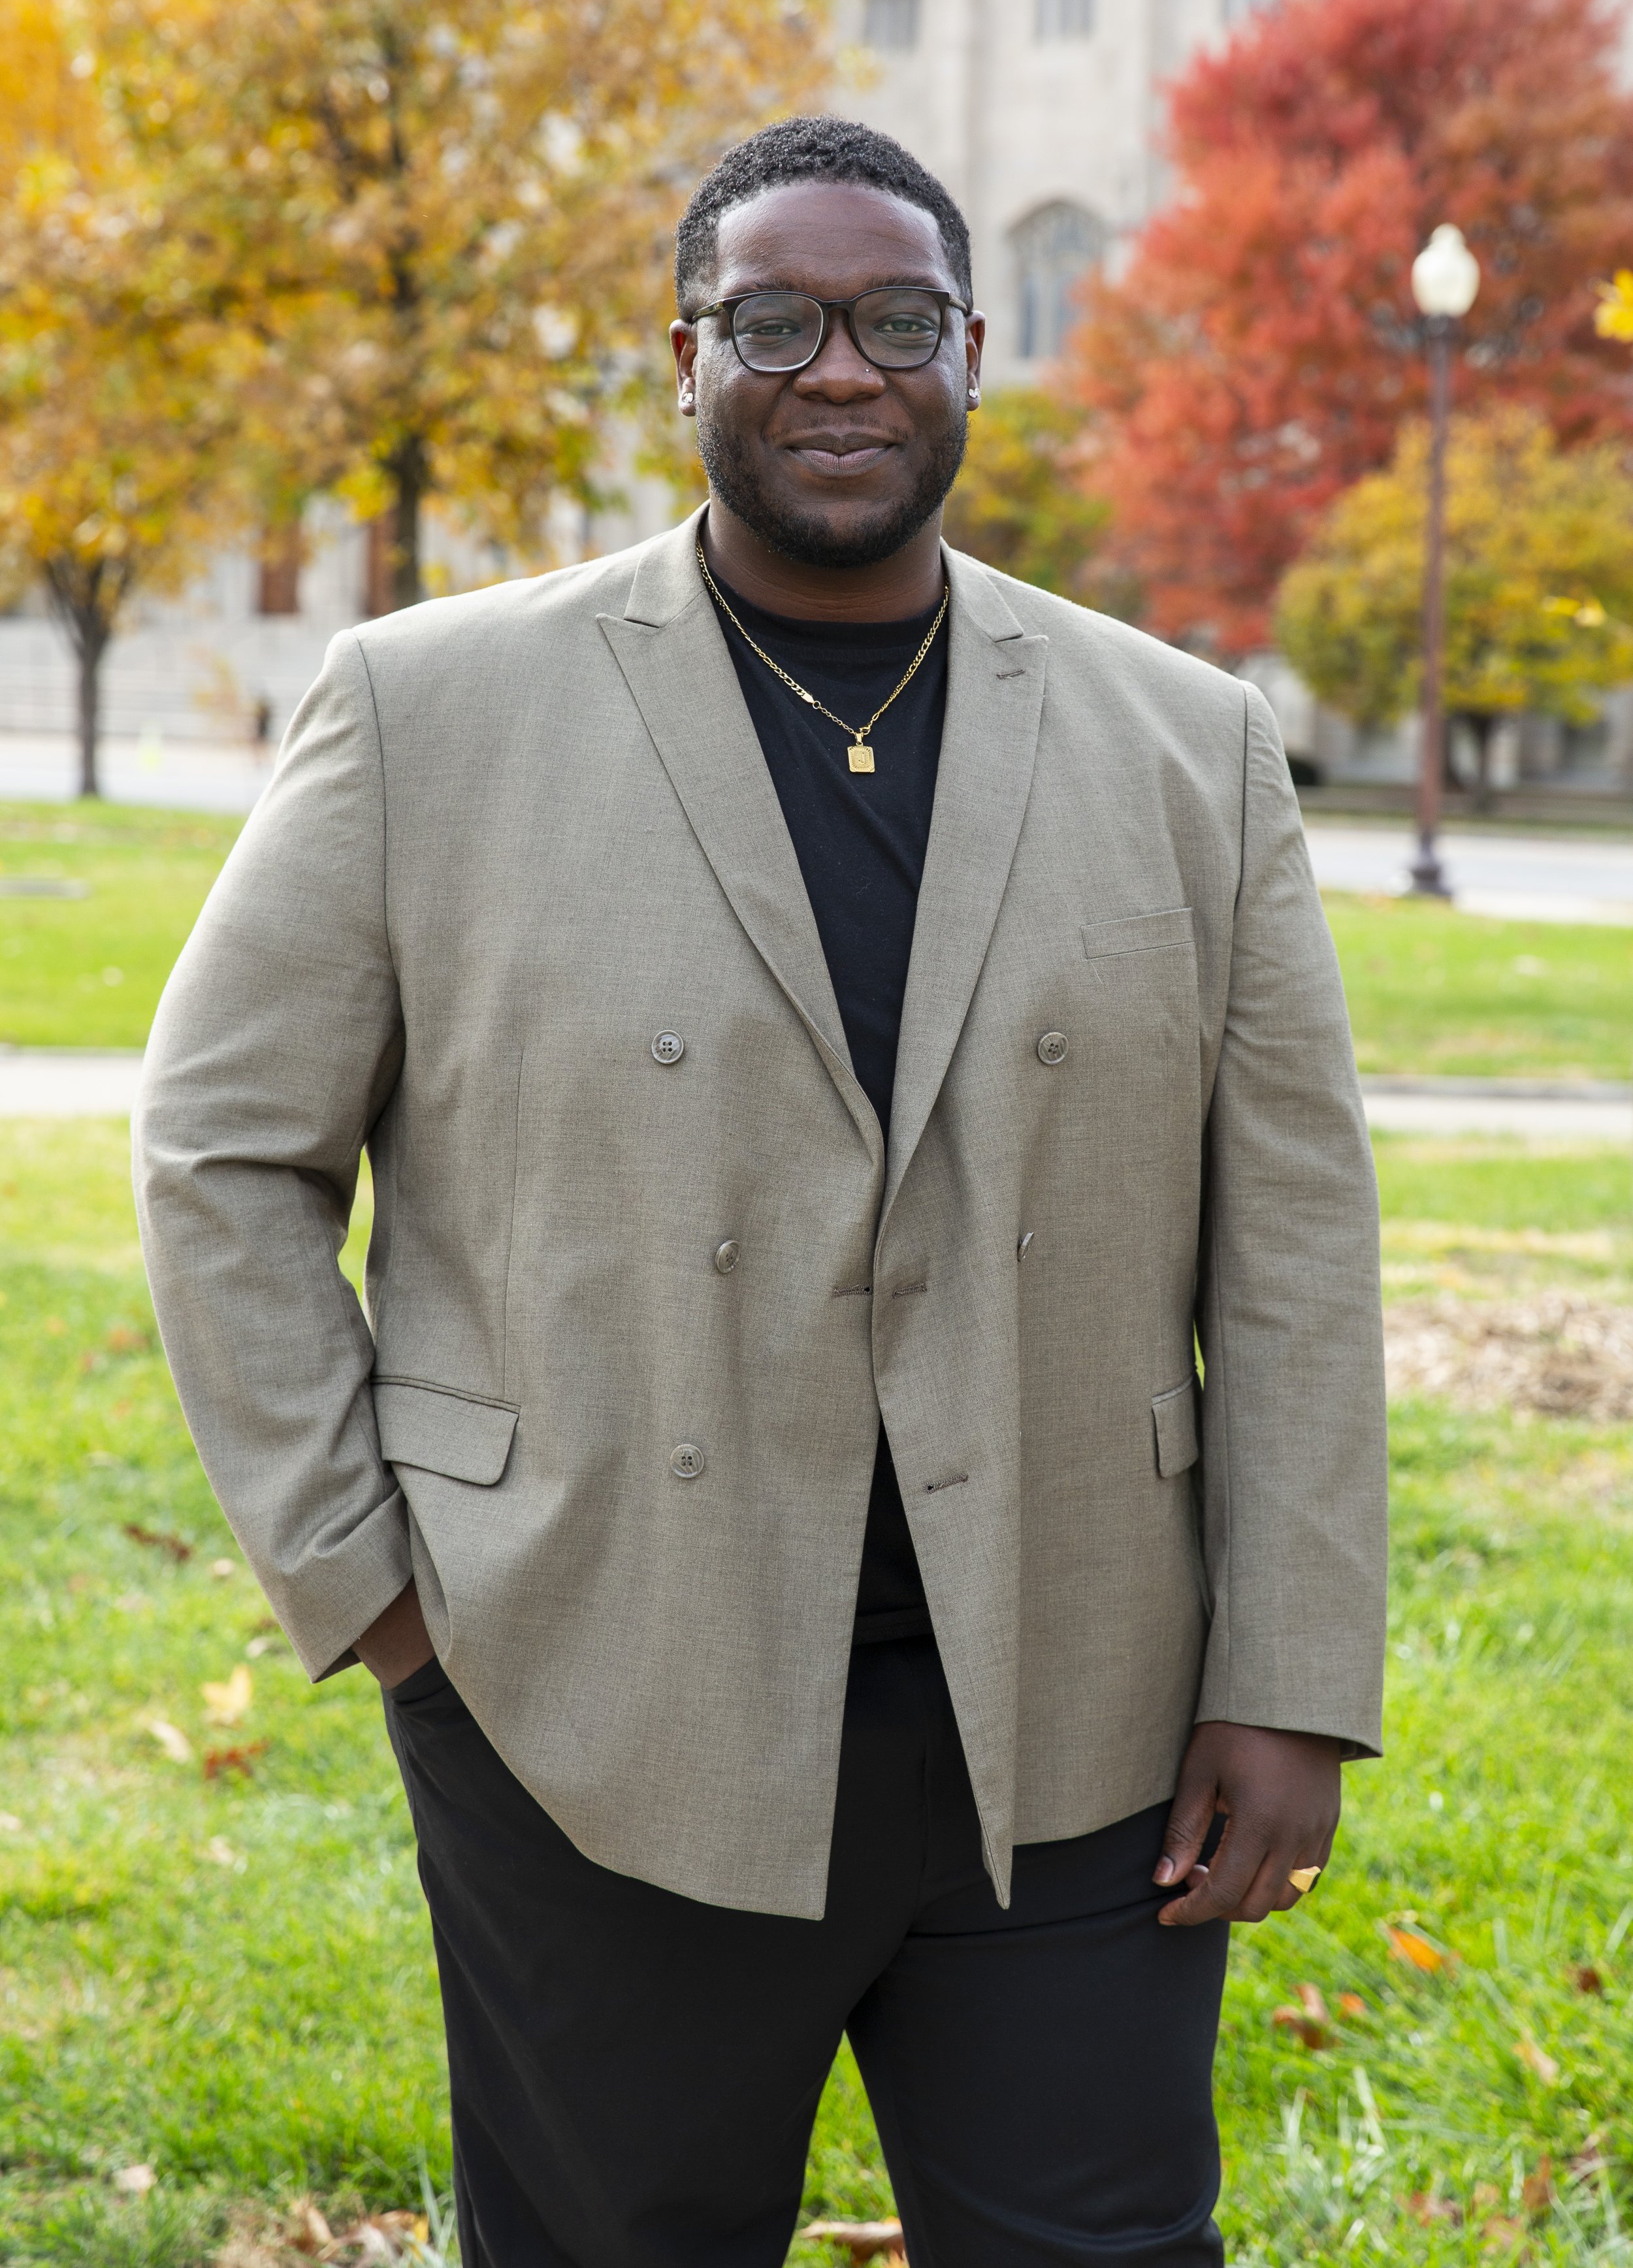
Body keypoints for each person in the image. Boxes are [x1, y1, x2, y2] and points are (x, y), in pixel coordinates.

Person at [134, 117, 1387, 2267]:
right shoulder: (428, 714)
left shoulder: (1186, 745)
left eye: (896, 320)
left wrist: (1286, 1670)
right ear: (683, 360)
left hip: (1080, 1710)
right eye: (775, 323)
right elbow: (219, 1147)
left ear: (971, 351)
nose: (840, 371)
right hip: (591, 1690)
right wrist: (379, 1595)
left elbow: (1293, 1238)